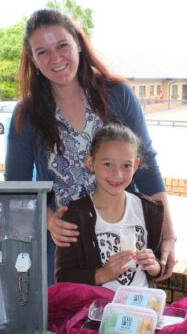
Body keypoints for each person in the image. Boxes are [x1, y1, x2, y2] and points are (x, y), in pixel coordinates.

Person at [4, 9, 176, 285]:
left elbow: (148, 168)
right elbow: (16, 185)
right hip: (65, 248)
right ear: (33, 60)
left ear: (79, 45)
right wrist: (48, 220)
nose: (55, 58)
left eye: (62, 46)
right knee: (70, 324)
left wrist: (168, 236)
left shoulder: (118, 96)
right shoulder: (27, 115)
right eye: (42, 52)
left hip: (125, 242)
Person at [55, 123, 164, 289]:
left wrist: (155, 267)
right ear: (90, 162)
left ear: (135, 166)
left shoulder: (149, 209)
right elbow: (63, 277)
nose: (117, 174)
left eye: (126, 165)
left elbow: (157, 261)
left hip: (142, 310)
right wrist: (102, 274)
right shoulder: (75, 216)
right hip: (98, 312)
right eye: (108, 164)